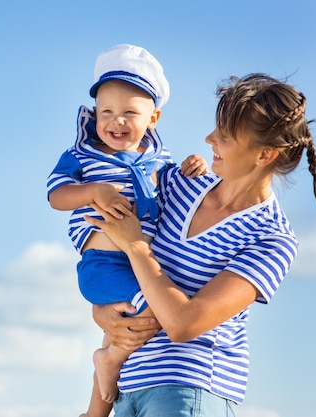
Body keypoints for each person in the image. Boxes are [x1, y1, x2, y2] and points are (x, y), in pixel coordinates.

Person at [85, 73, 316, 417]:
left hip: (188, 392)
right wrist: (104, 313)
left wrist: (137, 247)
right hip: (128, 388)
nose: (209, 139)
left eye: (225, 136)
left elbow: (184, 323)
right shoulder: (176, 184)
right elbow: (114, 265)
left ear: (264, 155)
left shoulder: (271, 239)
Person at [46, 44, 207, 417]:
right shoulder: (82, 156)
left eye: (129, 113)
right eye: (107, 112)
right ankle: (109, 363)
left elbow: (174, 190)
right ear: (94, 114)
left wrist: (190, 168)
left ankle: (105, 373)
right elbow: (56, 195)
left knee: (137, 316)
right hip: (101, 264)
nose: (116, 121)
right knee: (153, 310)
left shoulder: (160, 162)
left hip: (139, 264)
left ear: (154, 118)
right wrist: (92, 191)